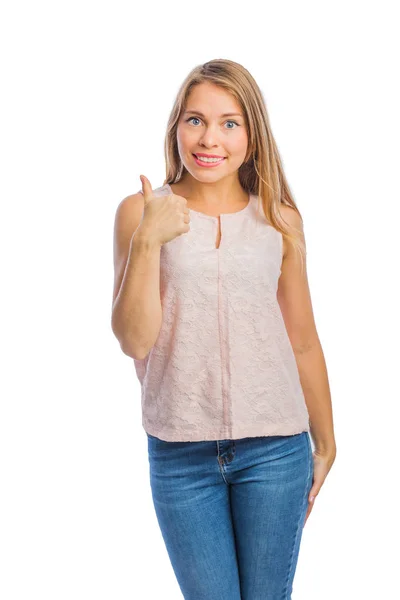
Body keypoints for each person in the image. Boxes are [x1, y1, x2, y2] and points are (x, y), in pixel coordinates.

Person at [111, 59, 336, 600]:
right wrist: (147, 242)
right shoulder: (139, 212)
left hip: (276, 449)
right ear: (176, 127)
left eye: (230, 123)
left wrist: (326, 439)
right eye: (195, 120)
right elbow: (133, 340)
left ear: (252, 137)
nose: (210, 138)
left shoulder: (279, 219)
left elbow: (301, 337)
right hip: (180, 453)